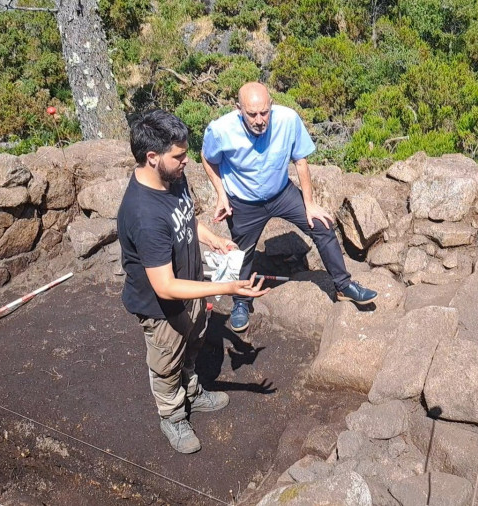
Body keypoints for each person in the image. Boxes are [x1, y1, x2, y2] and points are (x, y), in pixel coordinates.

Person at [117, 109, 270, 454]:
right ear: (152, 157)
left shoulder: (172, 178)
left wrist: (213, 240)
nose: (187, 161)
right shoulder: (143, 214)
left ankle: (193, 391)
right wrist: (229, 288)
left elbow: (185, 219)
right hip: (162, 307)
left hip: (191, 287)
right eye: (180, 156)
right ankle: (171, 415)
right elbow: (165, 287)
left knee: (195, 340)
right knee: (166, 361)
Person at [201, 82, 377, 332]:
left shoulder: (288, 119)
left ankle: (343, 286)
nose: (260, 120)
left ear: (271, 105)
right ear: (238, 109)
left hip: (281, 193)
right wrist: (221, 194)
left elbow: (300, 161)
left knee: (322, 226)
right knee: (241, 252)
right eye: (252, 114)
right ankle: (240, 301)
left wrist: (310, 204)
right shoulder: (221, 130)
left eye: (264, 112)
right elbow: (207, 158)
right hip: (244, 201)